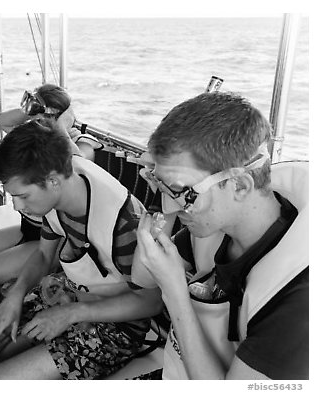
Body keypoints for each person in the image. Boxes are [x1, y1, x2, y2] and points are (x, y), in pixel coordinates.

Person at [0, 121, 162, 379]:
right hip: (71, 294)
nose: (18, 207)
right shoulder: (56, 190)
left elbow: (151, 302)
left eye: (22, 196)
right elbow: (44, 255)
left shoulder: (123, 225)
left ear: (52, 180)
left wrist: (71, 314)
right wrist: (15, 295)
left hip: (116, 327)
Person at [132, 92, 308, 379]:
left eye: (184, 192)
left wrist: (175, 292)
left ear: (239, 185)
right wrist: (168, 187)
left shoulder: (301, 300)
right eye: (161, 185)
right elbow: (143, 277)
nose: (175, 204)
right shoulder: (214, 224)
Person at [0, 84, 101, 333]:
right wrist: (30, 110)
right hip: (29, 227)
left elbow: (80, 165)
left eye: (47, 116)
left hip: (55, 240)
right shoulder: (34, 138)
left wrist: (59, 126)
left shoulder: (80, 141)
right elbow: (2, 120)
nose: (40, 122)